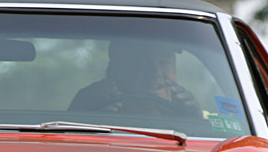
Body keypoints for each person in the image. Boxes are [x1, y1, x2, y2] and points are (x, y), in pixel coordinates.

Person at [69, 39, 201, 117]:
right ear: (115, 71)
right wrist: (81, 116)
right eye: (142, 64)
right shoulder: (93, 108)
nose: (156, 73)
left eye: (165, 64)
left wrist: (194, 120)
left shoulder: (200, 118)